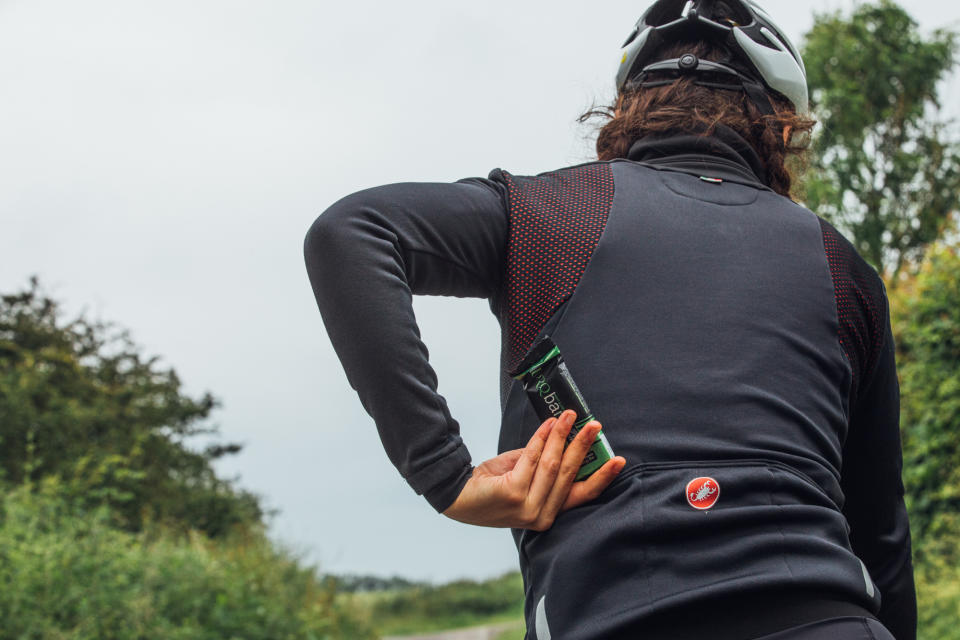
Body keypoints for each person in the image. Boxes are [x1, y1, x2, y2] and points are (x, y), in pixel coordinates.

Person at [302, 0, 917, 638]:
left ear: (623, 116)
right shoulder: (841, 267)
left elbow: (352, 233)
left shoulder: (554, 214)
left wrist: (444, 474)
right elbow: (881, 537)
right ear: (783, 130)